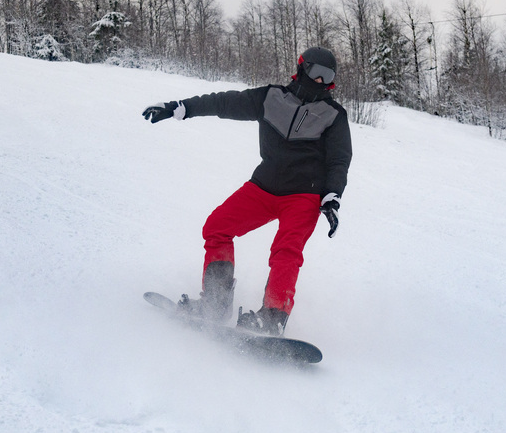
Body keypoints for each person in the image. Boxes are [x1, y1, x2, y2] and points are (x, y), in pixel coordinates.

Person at [142, 46, 352, 336]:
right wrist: (182, 107)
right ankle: (215, 304)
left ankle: (272, 318)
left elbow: (339, 160)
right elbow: (225, 102)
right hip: (263, 187)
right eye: (316, 72)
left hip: (304, 196)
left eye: (327, 76)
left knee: (286, 251)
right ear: (302, 67)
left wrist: (332, 196)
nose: (320, 81)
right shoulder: (270, 98)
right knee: (217, 227)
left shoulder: (333, 115)